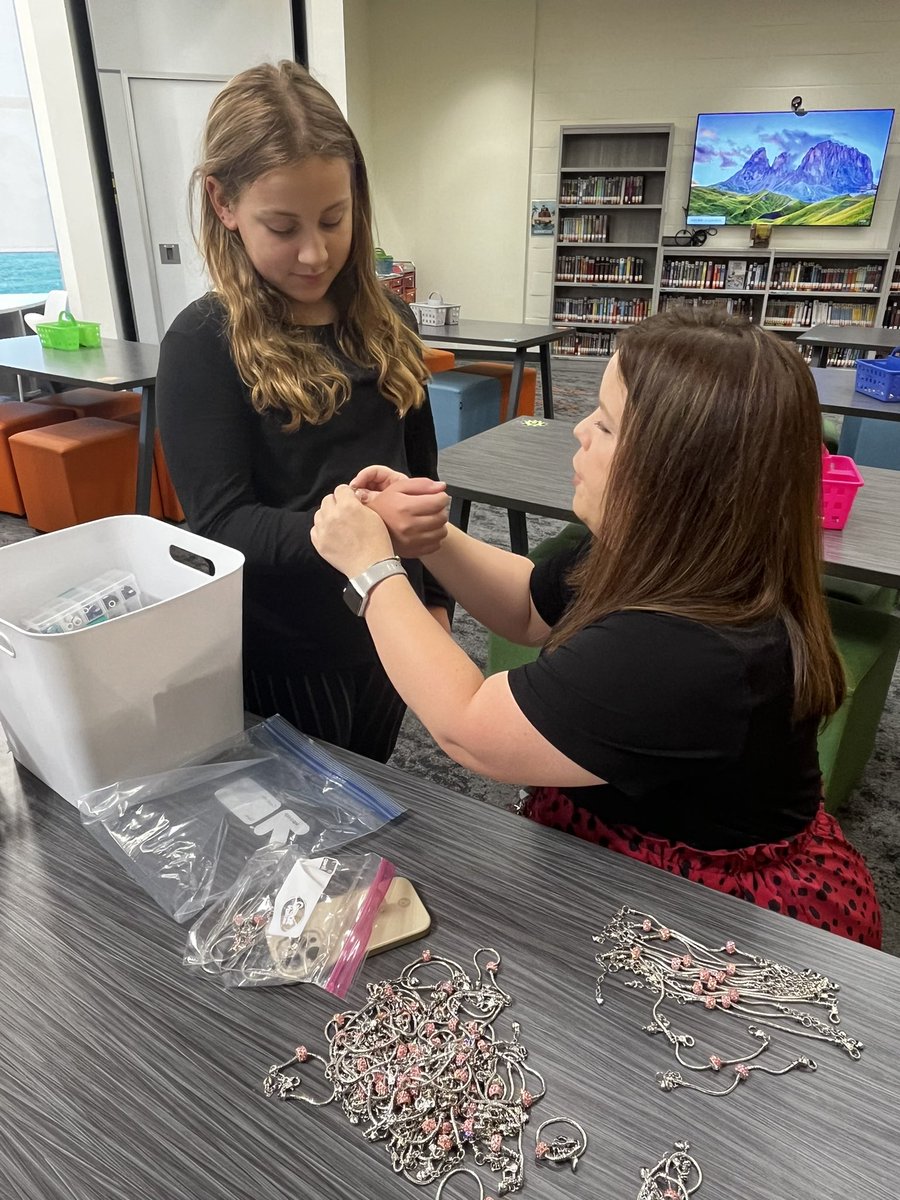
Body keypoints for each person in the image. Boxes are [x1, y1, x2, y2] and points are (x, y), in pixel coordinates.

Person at [311, 307, 882, 948]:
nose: (580, 429)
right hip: (631, 831)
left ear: (675, 472)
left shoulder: (687, 651)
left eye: (606, 423)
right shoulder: (669, 552)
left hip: (709, 910)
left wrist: (372, 572)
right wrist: (429, 537)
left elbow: (470, 728)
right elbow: (528, 604)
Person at [156, 60, 450, 762]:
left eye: (334, 219)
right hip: (286, 648)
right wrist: (365, 529)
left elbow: (423, 476)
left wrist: (436, 597)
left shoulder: (391, 320)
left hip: (390, 621)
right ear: (223, 202)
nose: (315, 253)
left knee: (377, 777)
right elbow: (221, 523)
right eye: (282, 227)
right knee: (306, 812)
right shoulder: (204, 341)